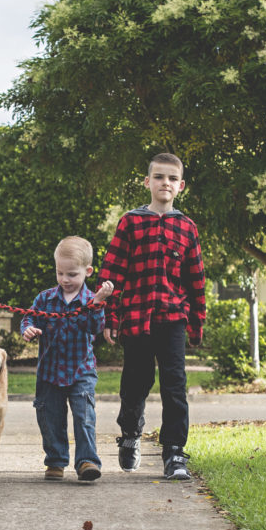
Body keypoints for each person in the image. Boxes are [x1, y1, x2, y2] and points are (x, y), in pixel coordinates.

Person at [98, 153, 206, 481]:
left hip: (172, 318)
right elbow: (112, 272)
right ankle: (130, 432)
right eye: (159, 177)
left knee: (175, 386)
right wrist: (110, 316)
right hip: (135, 318)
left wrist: (197, 321)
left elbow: (196, 279)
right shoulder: (131, 222)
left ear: (181, 186)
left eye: (172, 179)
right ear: (148, 182)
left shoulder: (186, 227)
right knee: (135, 383)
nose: (165, 183)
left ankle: (174, 452)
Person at [21, 237, 114, 482]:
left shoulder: (90, 301)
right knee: (49, 417)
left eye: (72, 274)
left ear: (88, 271)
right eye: (60, 273)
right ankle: (55, 461)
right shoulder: (45, 299)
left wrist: (98, 303)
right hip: (49, 371)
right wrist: (28, 329)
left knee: (84, 417)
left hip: (80, 370)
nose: (65, 279)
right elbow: (28, 318)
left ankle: (87, 461)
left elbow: (94, 327)